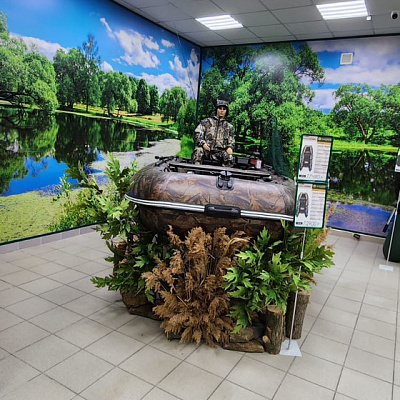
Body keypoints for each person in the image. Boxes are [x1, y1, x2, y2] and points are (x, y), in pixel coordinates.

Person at [192, 99, 235, 166]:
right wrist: (203, 144)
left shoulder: (229, 127)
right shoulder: (206, 122)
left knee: (229, 157)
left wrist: (230, 147)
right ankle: (196, 170)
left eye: (224, 109)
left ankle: (225, 172)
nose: (222, 110)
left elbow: (231, 141)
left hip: (220, 153)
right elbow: (197, 133)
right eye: (220, 108)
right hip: (207, 150)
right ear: (216, 109)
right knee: (198, 151)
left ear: (226, 111)